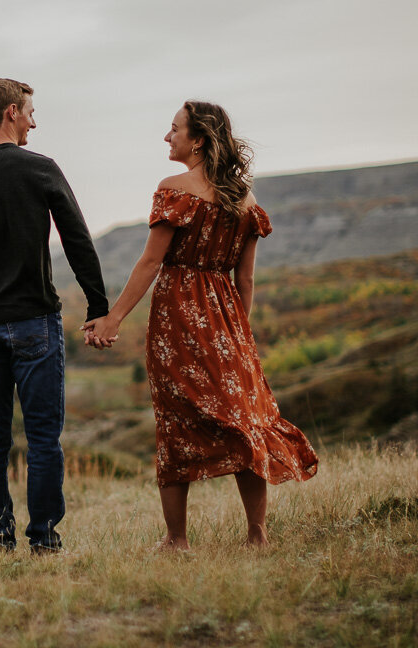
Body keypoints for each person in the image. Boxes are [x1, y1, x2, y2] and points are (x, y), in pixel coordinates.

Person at [82, 100, 317, 550]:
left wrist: (113, 319)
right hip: (228, 321)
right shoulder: (245, 200)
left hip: (178, 319)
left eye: (174, 130)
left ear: (199, 139)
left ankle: (177, 539)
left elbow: (151, 262)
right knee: (246, 420)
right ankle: (257, 535)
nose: (167, 137)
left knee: (175, 421)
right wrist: (238, 336)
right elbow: (244, 279)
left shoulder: (175, 189)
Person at [0, 78, 109, 554]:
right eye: (31, 111)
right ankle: (44, 539)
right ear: (11, 112)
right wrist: (98, 304)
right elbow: (76, 240)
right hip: (34, 321)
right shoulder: (40, 169)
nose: (34, 121)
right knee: (44, 438)